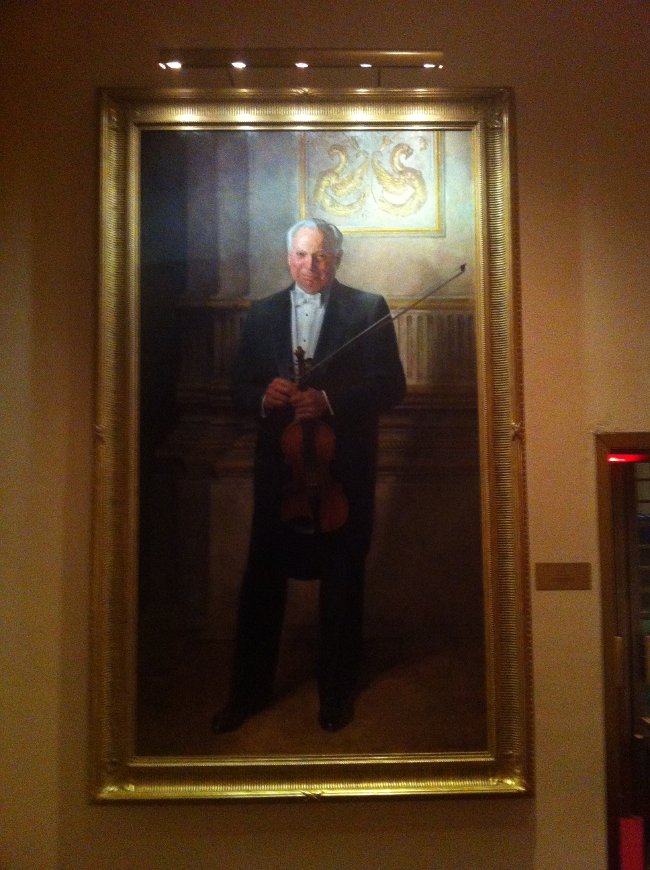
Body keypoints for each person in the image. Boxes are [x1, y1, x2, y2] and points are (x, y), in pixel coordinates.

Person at [212, 218, 406, 734]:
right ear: (288, 258)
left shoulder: (368, 308)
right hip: (282, 474)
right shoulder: (262, 313)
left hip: (342, 473)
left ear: (337, 258)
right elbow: (238, 388)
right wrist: (262, 395)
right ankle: (248, 694)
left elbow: (392, 386)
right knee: (262, 583)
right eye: (301, 255)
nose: (310, 265)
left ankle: (336, 695)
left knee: (342, 583)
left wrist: (329, 399)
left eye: (320, 255)